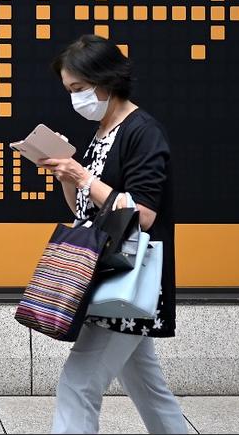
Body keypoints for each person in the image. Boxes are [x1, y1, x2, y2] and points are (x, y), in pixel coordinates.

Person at [39, 34, 189, 434]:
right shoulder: (104, 131)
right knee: (148, 387)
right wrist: (68, 175)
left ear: (105, 82)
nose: (75, 99)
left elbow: (142, 213)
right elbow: (84, 210)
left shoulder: (142, 131)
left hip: (127, 278)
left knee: (77, 383)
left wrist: (83, 176)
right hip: (113, 280)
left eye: (79, 89)